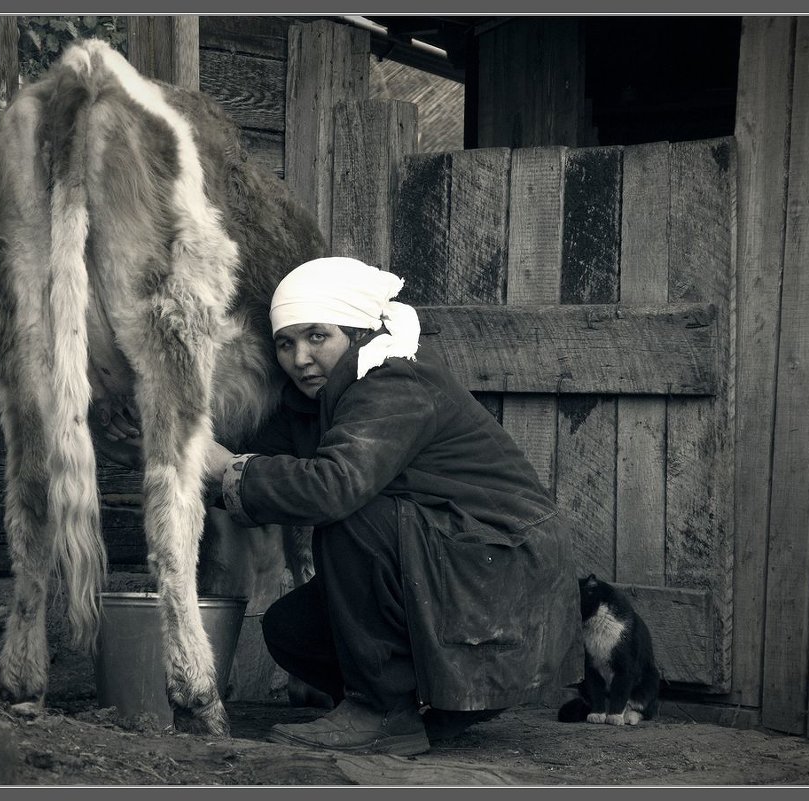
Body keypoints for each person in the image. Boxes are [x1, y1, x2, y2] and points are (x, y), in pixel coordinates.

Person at [203, 256, 584, 756]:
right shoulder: (319, 398)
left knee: (350, 514)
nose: (299, 358)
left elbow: (330, 486)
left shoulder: (392, 380)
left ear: (358, 331)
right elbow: (257, 457)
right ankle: (431, 709)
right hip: (462, 568)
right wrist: (163, 445)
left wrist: (228, 470)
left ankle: (382, 711)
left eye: (317, 336)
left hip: (504, 571)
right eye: (286, 342)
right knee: (291, 628)